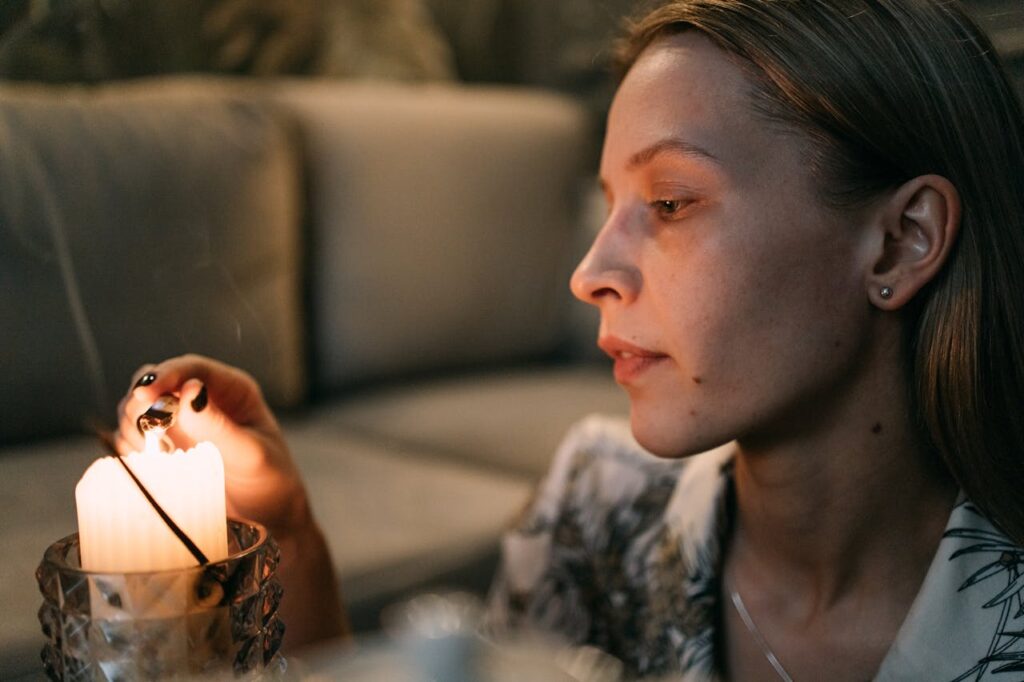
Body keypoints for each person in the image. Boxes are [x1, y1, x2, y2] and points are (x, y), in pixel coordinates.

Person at [117, 0, 1024, 679]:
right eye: (607, 208)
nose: (590, 271)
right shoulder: (597, 505)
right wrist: (291, 537)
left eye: (670, 202)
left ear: (902, 241)